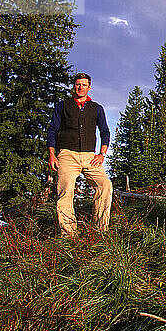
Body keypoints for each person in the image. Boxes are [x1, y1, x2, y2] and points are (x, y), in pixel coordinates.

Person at [47, 73, 113, 236]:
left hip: (90, 157)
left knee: (105, 186)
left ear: (89, 87)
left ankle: (100, 230)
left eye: (84, 85)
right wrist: (52, 154)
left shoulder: (96, 108)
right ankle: (69, 234)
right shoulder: (62, 106)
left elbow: (105, 132)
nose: (80, 87)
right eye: (77, 84)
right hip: (67, 155)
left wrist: (102, 154)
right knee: (65, 191)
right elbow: (52, 131)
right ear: (73, 86)